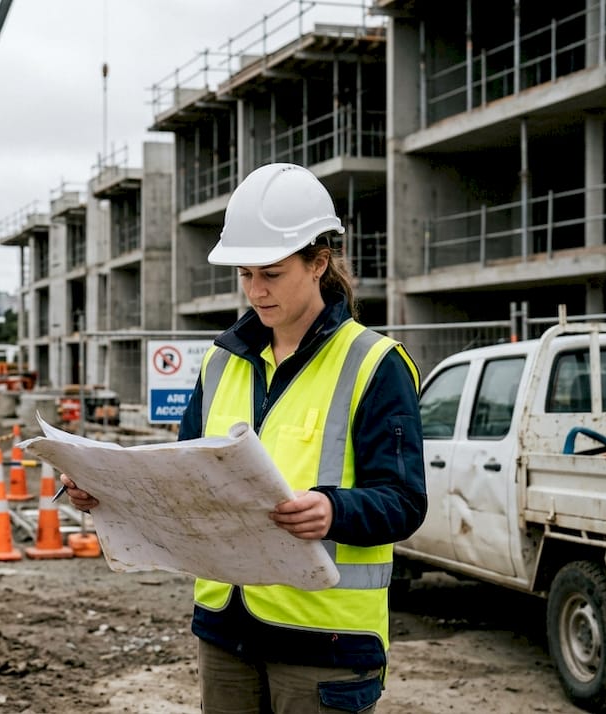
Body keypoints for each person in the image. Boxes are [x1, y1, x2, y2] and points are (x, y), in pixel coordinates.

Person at [61, 163, 426, 714]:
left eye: (272, 273)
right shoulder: (220, 362)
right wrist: (105, 492)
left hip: (324, 639)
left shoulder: (373, 363)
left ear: (318, 263)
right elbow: (177, 478)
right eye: (245, 274)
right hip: (225, 631)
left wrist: (333, 510)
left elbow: (404, 500)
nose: (256, 290)